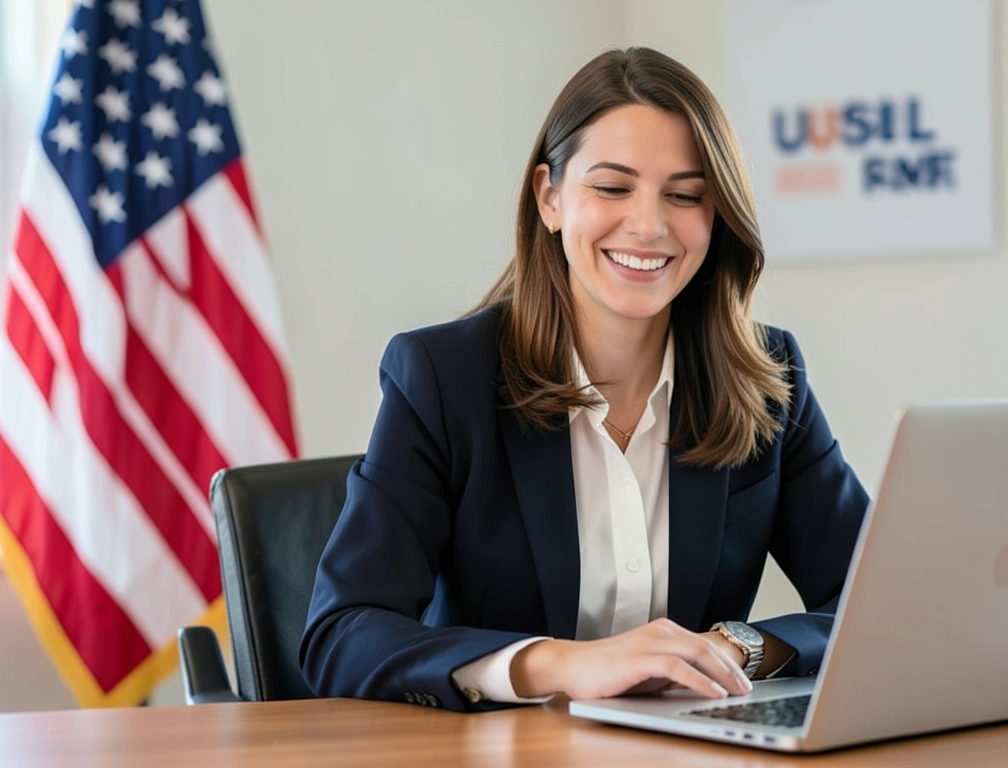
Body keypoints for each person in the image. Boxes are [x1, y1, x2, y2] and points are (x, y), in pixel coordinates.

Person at [299, 46, 870, 713]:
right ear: (550, 197)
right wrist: (564, 664)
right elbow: (342, 633)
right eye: (612, 187)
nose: (650, 225)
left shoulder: (768, 380)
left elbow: (881, 602)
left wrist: (737, 646)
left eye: (685, 195)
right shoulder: (442, 378)